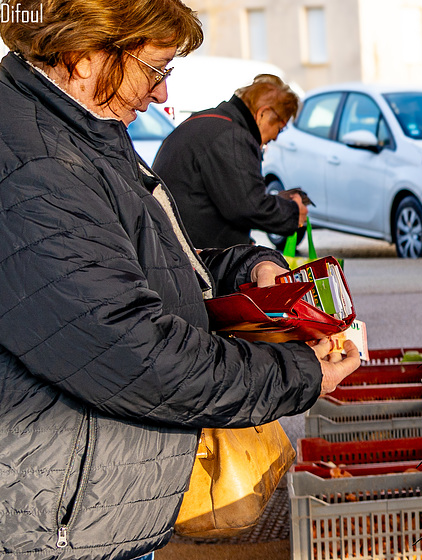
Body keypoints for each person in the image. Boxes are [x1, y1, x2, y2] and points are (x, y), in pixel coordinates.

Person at [0, 1, 360, 559]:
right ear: (82, 55)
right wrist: (300, 373)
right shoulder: (38, 167)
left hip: (83, 504)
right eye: (156, 69)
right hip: (54, 526)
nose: (162, 96)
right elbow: (131, 350)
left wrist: (246, 268)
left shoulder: (79, 132)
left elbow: (145, 263)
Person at [153, 74, 307, 249]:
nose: (275, 137)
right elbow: (249, 206)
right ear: (263, 114)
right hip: (192, 256)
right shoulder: (233, 136)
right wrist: (293, 212)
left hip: (174, 244)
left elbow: (226, 197)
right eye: (279, 127)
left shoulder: (206, 122)